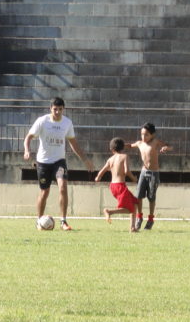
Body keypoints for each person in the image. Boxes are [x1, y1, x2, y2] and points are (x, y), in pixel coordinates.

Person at [23, 97, 95, 231]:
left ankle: (63, 221)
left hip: (59, 162)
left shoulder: (67, 123)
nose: (57, 112)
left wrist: (85, 159)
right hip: (43, 162)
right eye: (55, 109)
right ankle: (39, 220)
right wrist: (27, 150)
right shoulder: (42, 121)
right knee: (44, 192)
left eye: (60, 109)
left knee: (63, 187)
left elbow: (73, 143)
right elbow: (28, 137)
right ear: (50, 108)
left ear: (63, 109)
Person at [128, 122, 172, 231]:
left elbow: (169, 146)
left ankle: (151, 219)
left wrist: (166, 148)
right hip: (144, 172)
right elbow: (129, 145)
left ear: (152, 135)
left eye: (146, 134)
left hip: (154, 173)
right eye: (142, 134)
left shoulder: (155, 142)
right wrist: (118, 144)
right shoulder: (139, 143)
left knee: (151, 197)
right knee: (138, 196)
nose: (143, 137)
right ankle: (139, 218)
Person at [95, 137, 138, 232]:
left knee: (134, 203)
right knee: (129, 209)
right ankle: (109, 211)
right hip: (120, 186)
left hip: (113, 186)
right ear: (123, 148)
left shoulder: (110, 159)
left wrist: (98, 177)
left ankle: (132, 227)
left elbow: (102, 171)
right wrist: (134, 178)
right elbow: (126, 171)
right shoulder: (124, 156)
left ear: (112, 149)